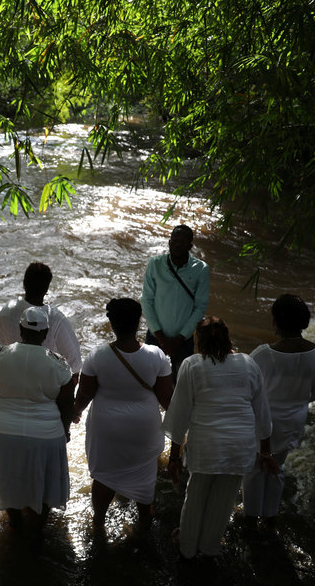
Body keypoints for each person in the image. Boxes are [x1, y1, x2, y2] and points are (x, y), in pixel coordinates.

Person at [162, 317, 277, 561]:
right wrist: (265, 453)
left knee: (195, 497)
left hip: (205, 446)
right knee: (223, 501)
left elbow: (180, 414)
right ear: (228, 338)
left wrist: (174, 456)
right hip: (240, 446)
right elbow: (262, 414)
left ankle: (187, 548)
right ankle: (210, 549)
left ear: (197, 341)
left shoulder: (192, 365)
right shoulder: (248, 363)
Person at [72, 298, 173, 531]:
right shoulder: (156, 355)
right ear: (138, 323)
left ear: (112, 324)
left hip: (107, 429)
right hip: (144, 430)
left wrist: (73, 414)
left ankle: (98, 522)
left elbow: (84, 395)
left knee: (104, 476)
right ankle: (145, 524)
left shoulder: (97, 356)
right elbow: (167, 399)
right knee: (145, 476)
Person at [0, 306, 75, 532]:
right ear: (45, 333)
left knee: (6, 479)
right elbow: (66, 404)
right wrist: (66, 431)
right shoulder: (58, 363)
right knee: (43, 483)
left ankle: (15, 523)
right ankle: (37, 531)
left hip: (0, 432)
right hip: (45, 436)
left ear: (21, 329)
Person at [242, 294, 315, 532]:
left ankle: (250, 517)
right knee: (276, 467)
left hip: (263, 422)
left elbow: (247, 391)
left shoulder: (262, 354)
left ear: (276, 321)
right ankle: (270, 518)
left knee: (254, 469)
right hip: (294, 420)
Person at [141, 225, 210, 381]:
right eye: (175, 241)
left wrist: (180, 338)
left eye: (183, 242)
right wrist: (160, 336)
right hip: (155, 335)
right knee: (148, 381)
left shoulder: (200, 269)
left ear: (190, 246)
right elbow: (146, 300)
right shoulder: (155, 264)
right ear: (169, 242)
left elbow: (200, 307)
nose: (178, 245)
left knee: (181, 384)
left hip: (183, 340)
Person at [0, 262, 82, 383]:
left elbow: (2, 344)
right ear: (47, 288)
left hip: (12, 379)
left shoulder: (7, 309)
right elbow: (75, 365)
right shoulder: (55, 318)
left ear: (24, 283)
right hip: (45, 385)